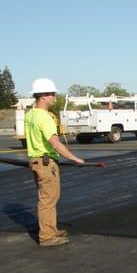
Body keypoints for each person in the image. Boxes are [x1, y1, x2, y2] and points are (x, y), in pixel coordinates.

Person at [25, 78, 84, 247]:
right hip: (46, 163)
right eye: (51, 94)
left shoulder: (30, 114)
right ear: (43, 96)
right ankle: (47, 237)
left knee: (49, 198)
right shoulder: (44, 117)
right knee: (48, 199)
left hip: (36, 160)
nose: (54, 97)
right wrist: (74, 158)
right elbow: (56, 143)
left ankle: (50, 229)